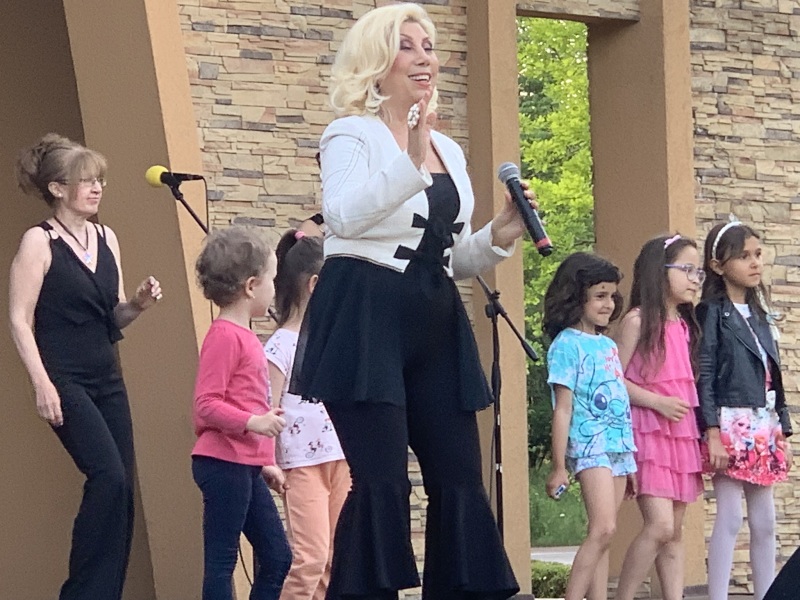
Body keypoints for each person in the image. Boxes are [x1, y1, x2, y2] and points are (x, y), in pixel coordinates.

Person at [288, 3, 535, 598]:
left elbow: (448, 256)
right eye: (408, 46)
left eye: (429, 46)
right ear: (377, 61)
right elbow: (343, 216)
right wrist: (410, 154)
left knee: (458, 475)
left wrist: (499, 235)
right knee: (382, 483)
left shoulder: (448, 148)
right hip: (365, 313)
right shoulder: (350, 134)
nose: (425, 58)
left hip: (434, 316)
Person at [8, 133, 162, 600]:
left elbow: (113, 315)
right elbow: (19, 319)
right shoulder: (39, 241)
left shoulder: (106, 237)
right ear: (57, 189)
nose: (97, 189)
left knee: (123, 489)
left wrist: (137, 304)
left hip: (106, 378)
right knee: (107, 476)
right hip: (66, 378)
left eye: (100, 181)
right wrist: (42, 383)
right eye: (86, 181)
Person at [192, 227, 292, 600]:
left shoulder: (245, 336)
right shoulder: (224, 336)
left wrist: (264, 462)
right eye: (272, 280)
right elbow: (206, 404)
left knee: (278, 558)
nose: (274, 289)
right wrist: (255, 422)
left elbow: (245, 400)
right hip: (223, 463)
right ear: (251, 286)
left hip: (243, 464)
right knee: (222, 562)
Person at [697, 220, 792, 600]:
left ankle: (766, 593)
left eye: (758, 254)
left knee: (765, 520)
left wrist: (783, 426)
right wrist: (711, 430)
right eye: (743, 256)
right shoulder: (711, 312)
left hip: (762, 422)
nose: (755, 263)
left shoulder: (760, 312)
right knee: (730, 515)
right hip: (729, 421)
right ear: (718, 265)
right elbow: (705, 373)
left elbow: (773, 373)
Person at [613, 235, 704, 600]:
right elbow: (613, 381)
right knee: (660, 525)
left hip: (679, 434)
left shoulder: (683, 325)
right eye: (687, 269)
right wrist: (656, 402)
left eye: (698, 272)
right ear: (659, 271)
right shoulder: (637, 321)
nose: (695, 279)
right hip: (648, 431)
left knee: (675, 532)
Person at [543, 252, 637, 600]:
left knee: (606, 535)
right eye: (599, 295)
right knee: (603, 528)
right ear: (575, 297)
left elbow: (619, 402)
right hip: (589, 445)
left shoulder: (608, 346)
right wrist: (558, 466)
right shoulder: (566, 345)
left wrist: (629, 458)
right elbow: (562, 409)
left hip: (617, 447)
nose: (608, 304)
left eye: (612, 295)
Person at [265, 229, 350, 600]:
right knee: (310, 558)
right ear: (315, 285)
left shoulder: (331, 342)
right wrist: (268, 460)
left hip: (340, 459)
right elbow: (267, 408)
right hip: (302, 465)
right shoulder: (280, 346)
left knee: (336, 557)